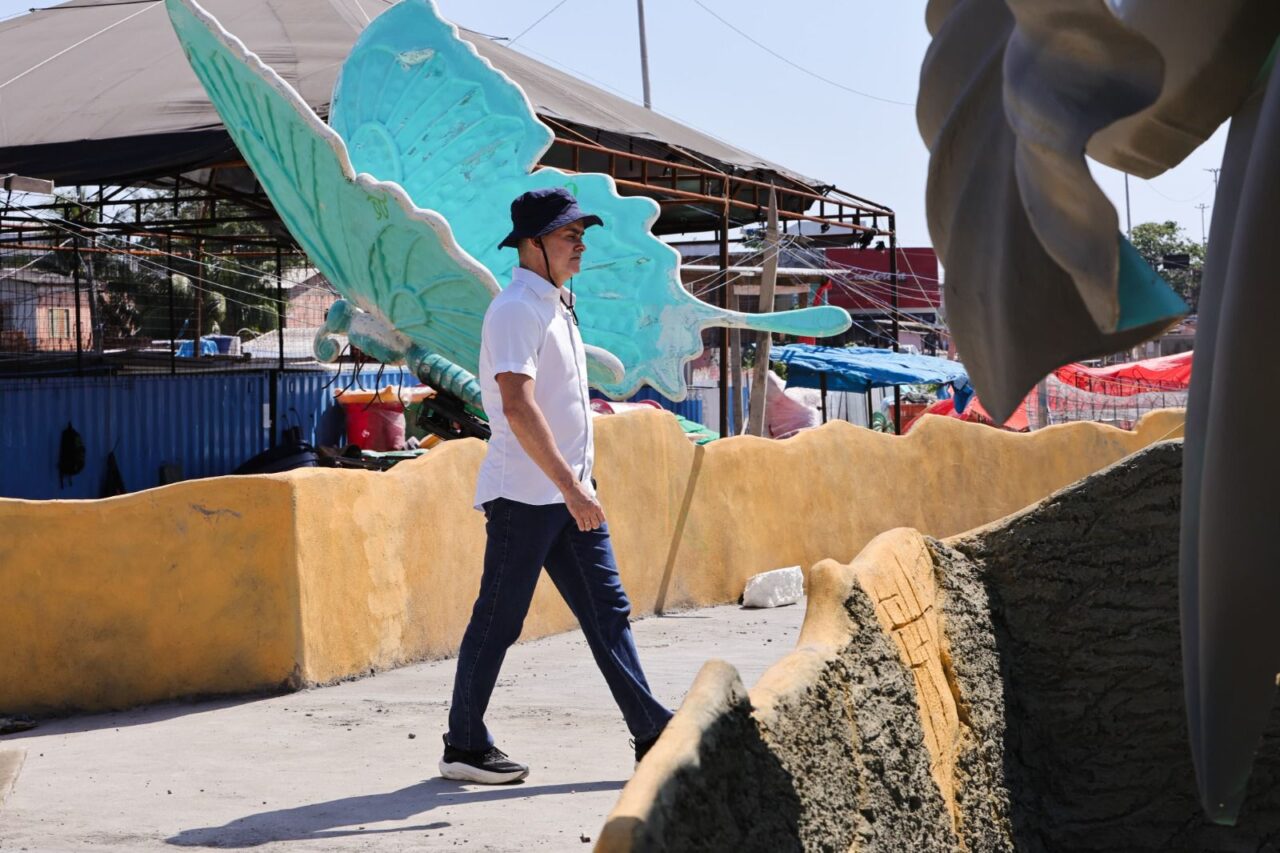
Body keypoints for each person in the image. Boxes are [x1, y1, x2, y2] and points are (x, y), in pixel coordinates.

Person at [439, 187, 673, 785]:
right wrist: (571, 484)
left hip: (569, 494)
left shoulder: (556, 305)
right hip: (526, 494)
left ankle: (654, 734)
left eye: (580, 233)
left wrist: (576, 485)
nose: (580, 244)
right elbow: (516, 405)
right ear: (533, 243)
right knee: (499, 618)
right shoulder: (517, 307)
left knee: (608, 612)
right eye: (569, 235)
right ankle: (463, 746)